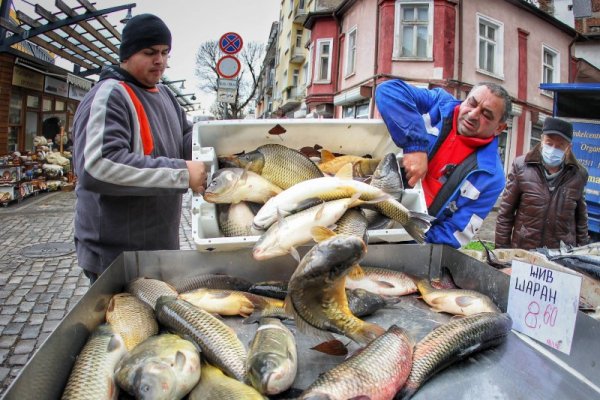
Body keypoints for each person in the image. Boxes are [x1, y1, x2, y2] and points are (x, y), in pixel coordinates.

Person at [72, 14, 207, 283]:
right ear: (127, 54)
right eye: (150, 52)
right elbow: (97, 166)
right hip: (115, 257)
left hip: (157, 251)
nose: (160, 60)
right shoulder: (111, 95)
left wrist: (218, 144)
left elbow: (185, 139)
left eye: (165, 52)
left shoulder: (166, 95)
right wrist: (183, 173)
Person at [375, 79, 511, 248]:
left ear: (499, 128)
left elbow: (457, 232)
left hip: (414, 242)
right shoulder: (439, 104)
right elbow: (387, 90)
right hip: (371, 207)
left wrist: (410, 242)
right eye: (472, 103)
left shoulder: (493, 177)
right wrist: (414, 146)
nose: (473, 114)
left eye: (486, 114)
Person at [495, 117, 589, 250]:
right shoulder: (521, 166)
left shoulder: (578, 174)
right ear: (542, 139)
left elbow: (581, 221)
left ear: (569, 147)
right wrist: (501, 253)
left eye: (560, 145)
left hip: (560, 256)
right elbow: (505, 214)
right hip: (525, 251)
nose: (553, 149)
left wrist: (581, 255)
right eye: (549, 143)